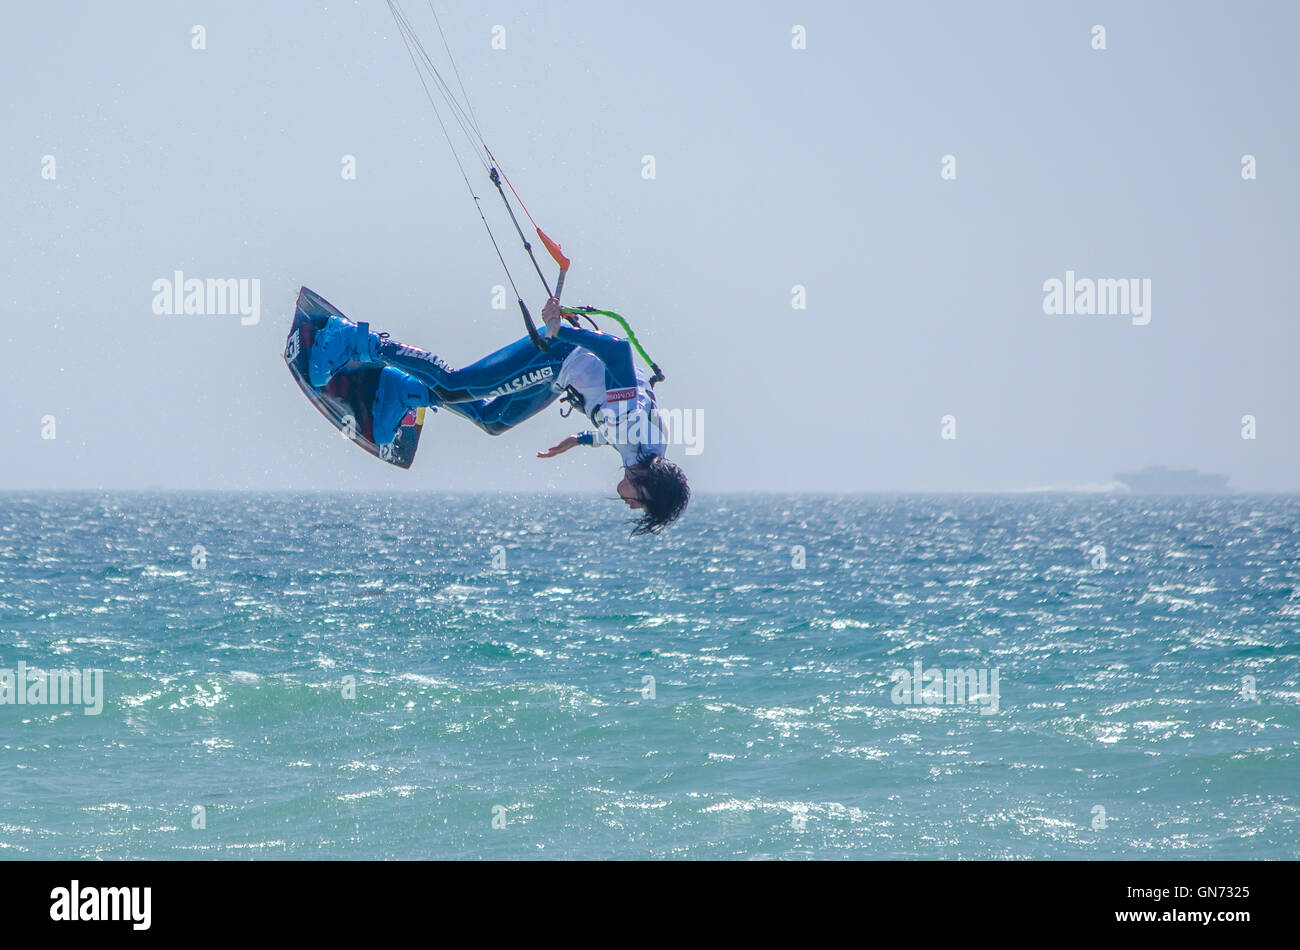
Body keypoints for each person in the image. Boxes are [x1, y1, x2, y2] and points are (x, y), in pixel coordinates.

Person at [307, 297, 689, 535]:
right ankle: (355, 340)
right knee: (459, 384)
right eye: (642, 503)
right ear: (649, 486)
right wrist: (558, 332)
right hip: (560, 354)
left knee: (493, 421)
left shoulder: (648, 449)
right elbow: (619, 353)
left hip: (563, 375)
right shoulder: (630, 426)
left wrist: (580, 440)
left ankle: (406, 390)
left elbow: (615, 427)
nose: (633, 506)